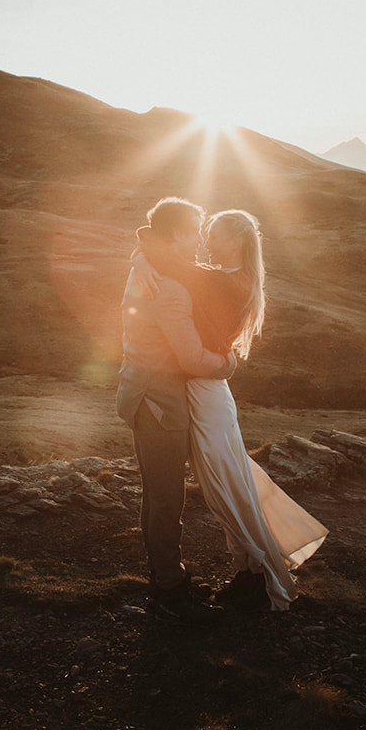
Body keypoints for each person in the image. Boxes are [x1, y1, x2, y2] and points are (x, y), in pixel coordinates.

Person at [134, 208, 327, 612]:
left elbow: (166, 256)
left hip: (206, 393)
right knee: (230, 481)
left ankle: (258, 572)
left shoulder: (220, 281)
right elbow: (168, 256)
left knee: (227, 486)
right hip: (209, 391)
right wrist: (140, 257)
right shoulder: (231, 277)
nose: (206, 243)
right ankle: (251, 568)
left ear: (236, 240)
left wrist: (141, 254)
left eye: (215, 236)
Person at [116, 197, 237, 623]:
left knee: (156, 492)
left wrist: (139, 258)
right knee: (167, 496)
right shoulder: (165, 284)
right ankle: (169, 587)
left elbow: (146, 250)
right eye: (194, 231)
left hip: (139, 392)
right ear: (177, 234)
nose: (199, 240)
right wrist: (227, 363)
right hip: (159, 401)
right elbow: (189, 360)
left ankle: (165, 576)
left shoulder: (151, 265)